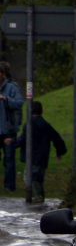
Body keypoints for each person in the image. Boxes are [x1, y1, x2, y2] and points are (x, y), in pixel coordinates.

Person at [13, 101, 67, 202]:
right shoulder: (46, 125)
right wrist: (60, 151)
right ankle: (41, 196)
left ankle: (38, 197)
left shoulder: (29, 125)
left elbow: (22, 139)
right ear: (42, 112)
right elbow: (56, 138)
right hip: (43, 156)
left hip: (33, 156)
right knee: (39, 178)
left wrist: (11, 144)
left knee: (30, 177)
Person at [0, 62, 24, 191]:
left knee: (9, 157)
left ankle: (9, 186)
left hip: (8, 129)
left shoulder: (11, 88)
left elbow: (19, 103)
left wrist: (5, 99)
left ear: (3, 75)